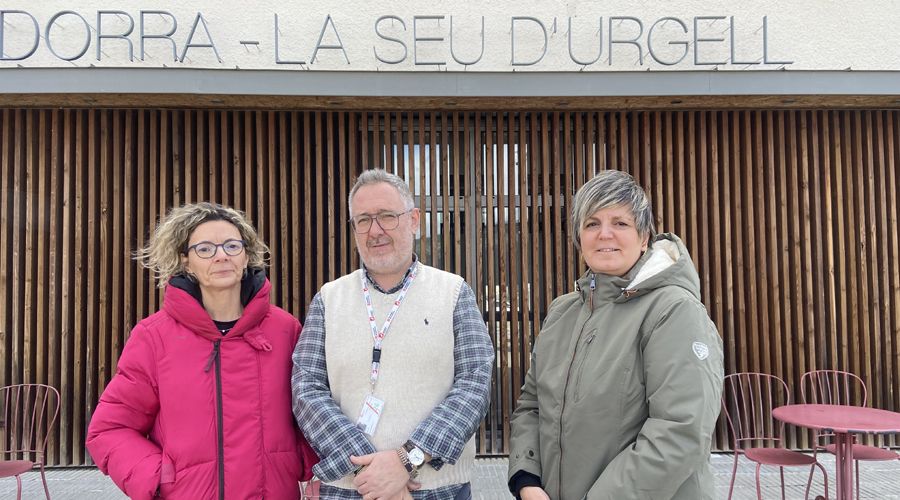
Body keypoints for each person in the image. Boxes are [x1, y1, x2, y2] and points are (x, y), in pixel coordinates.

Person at [507, 170, 724, 500]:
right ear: (579, 239)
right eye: (592, 223)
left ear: (643, 237)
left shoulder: (673, 310)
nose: (604, 234)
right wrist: (527, 480)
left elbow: (680, 431)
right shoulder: (562, 313)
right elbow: (531, 407)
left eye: (620, 223)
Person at [86, 202, 317, 500]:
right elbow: (110, 429)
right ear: (185, 261)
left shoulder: (285, 330)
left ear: (246, 256)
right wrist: (158, 479)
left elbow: (311, 409)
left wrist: (304, 463)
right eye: (205, 249)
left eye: (232, 246)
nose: (221, 256)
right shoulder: (154, 337)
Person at [292, 169, 494, 500]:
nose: (375, 231)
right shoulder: (329, 299)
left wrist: (406, 461)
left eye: (387, 216)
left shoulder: (453, 292)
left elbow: (475, 383)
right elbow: (307, 390)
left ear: (414, 220)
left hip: (437, 489)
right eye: (363, 220)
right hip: (350, 488)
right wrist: (368, 471)